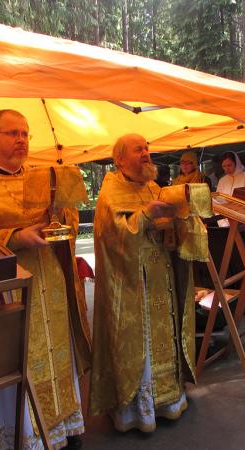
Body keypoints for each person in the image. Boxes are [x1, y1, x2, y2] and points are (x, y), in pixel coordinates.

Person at [0, 109, 91, 449]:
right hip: (7, 290)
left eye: (25, 134)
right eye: (13, 133)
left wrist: (61, 212)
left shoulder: (40, 178)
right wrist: (13, 237)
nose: (21, 140)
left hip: (49, 281)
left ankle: (64, 429)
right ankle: (29, 438)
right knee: (18, 361)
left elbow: (64, 221)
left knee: (57, 354)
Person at [89, 133, 197, 433]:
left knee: (165, 336)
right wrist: (147, 215)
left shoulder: (154, 187)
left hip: (161, 276)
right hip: (133, 283)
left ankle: (169, 401)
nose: (146, 153)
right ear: (120, 158)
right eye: (139, 149)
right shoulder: (111, 192)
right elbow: (112, 238)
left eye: (147, 148)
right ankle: (138, 412)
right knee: (143, 344)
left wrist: (179, 222)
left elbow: (170, 230)